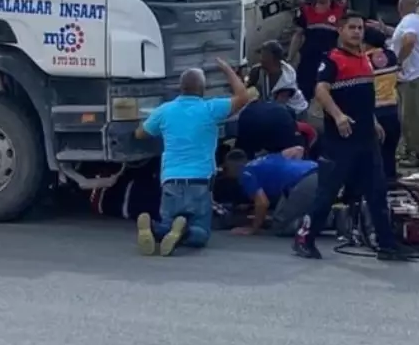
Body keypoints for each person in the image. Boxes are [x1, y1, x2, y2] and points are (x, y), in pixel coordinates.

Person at [293, 11, 417, 262]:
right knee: (327, 193)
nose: (357, 32)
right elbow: (320, 90)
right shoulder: (332, 60)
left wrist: (372, 121)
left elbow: (363, 97)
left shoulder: (365, 60)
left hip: (366, 139)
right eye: (351, 28)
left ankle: (387, 245)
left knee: (377, 192)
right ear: (340, 30)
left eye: (360, 28)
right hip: (341, 141)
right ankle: (305, 238)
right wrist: (338, 116)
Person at [135, 58, 251, 255]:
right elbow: (243, 96)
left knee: (168, 222)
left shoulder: (165, 110)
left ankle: (155, 229)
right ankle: (186, 231)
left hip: (170, 179)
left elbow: (141, 133)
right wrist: (227, 70)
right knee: (201, 233)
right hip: (200, 180)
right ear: (203, 89)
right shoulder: (210, 109)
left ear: (181, 88)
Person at [222, 148, 320, 237]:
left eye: (225, 169)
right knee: (282, 212)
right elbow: (298, 149)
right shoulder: (262, 160)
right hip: (316, 169)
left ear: (231, 167)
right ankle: (323, 216)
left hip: (304, 179)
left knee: (280, 226)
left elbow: (263, 203)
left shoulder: (246, 173)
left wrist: (253, 228)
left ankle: (316, 223)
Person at [289, 0, 346, 122]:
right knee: (302, 97)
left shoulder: (341, 10)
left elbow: (344, 37)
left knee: (331, 97)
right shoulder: (305, 9)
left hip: (330, 62)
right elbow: (298, 34)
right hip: (308, 61)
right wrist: (289, 59)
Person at [393, 0, 419, 162]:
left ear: (401, 6)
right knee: (406, 117)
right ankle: (409, 150)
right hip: (410, 77)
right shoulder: (412, 21)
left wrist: (398, 61)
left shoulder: (410, 21)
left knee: (412, 118)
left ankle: (416, 153)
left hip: (414, 76)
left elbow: (409, 41)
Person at [364, 28, 402, 180]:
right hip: (392, 109)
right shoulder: (391, 56)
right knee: (390, 150)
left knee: (375, 153)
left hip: (375, 112)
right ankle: (391, 179)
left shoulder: (364, 61)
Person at [251, 40, 308, 117]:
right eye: (261, 55)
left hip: (294, 111)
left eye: (264, 56)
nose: (260, 59)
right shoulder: (258, 70)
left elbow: (277, 109)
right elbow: (247, 90)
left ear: (275, 59)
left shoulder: (286, 81)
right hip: (271, 106)